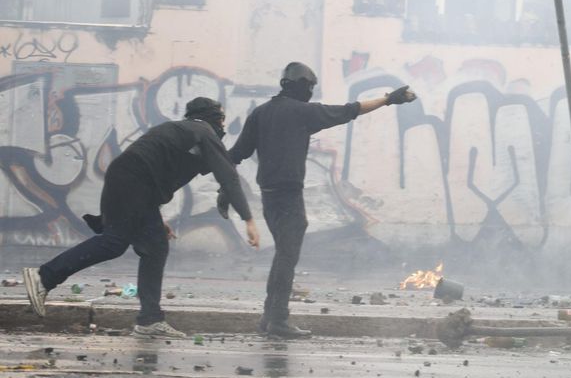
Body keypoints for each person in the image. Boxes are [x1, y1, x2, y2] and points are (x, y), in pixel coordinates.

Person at [22, 97, 259, 338]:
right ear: (209, 117)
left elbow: (152, 167)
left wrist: (153, 215)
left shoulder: (184, 131)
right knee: (114, 242)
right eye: (220, 119)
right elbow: (228, 176)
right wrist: (248, 219)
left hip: (130, 182)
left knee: (156, 246)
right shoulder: (203, 130)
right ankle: (44, 276)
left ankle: (149, 320)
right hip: (132, 183)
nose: (222, 125)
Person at [226, 62, 415, 339]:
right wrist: (388, 99)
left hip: (269, 197)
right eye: (310, 87)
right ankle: (277, 320)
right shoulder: (303, 112)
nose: (311, 93)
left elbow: (236, 153)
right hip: (288, 196)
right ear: (303, 86)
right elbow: (350, 110)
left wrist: (224, 190)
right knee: (286, 257)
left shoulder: (261, 113)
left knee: (283, 255)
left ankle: (269, 318)